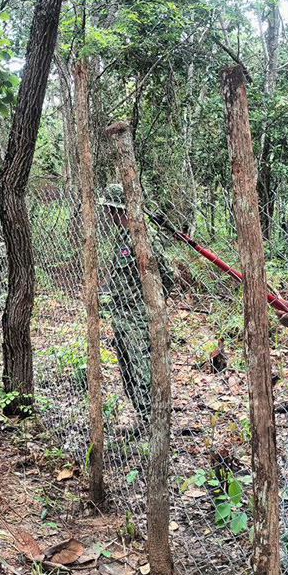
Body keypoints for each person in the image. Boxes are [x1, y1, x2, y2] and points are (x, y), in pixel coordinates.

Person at [99, 184, 173, 429]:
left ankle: (152, 421)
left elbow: (167, 274)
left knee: (143, 369)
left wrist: (152, 305)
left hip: (140, 315)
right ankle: (141, 418)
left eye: (112, 210)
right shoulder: (122, 235)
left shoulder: (144, 235)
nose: (109, 216)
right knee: (127, 368)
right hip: (121, 313)